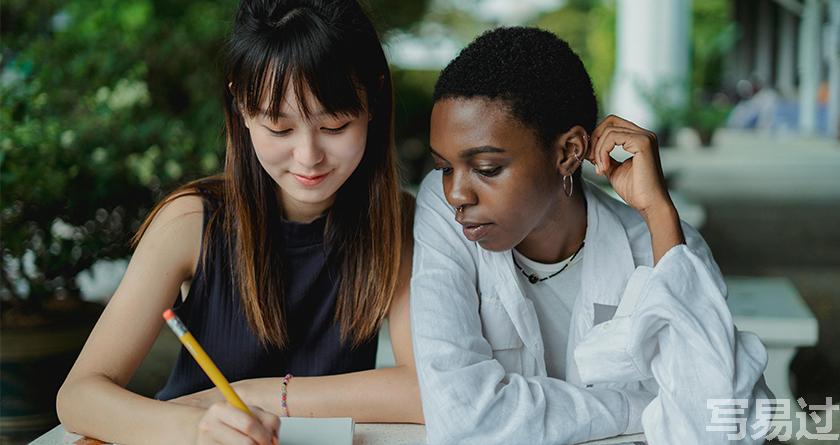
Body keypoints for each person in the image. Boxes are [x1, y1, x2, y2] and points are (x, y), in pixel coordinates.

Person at [56, 1, 421, 444]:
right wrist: (197, 429)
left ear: (374, 100)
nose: (309, 157)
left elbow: (424, 390)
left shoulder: (396, 225)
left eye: (335, 125)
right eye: (279, 128)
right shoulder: (193, 220)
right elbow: (78, 397)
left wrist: (251, 396)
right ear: (242, 108)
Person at [410, 27, 772, 444]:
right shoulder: (443, 214)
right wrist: (644, 407)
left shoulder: (662, 247)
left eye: (488, 168)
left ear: (568, 153)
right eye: (444, 168)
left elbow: (720, 427)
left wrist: (658, 213)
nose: (456, 193)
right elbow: (463, 419)